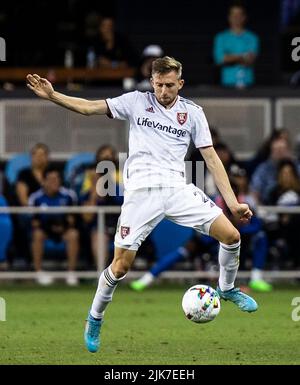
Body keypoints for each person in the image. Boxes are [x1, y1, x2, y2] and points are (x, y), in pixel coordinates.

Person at [26, 56, 258, 354]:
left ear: (180, 84)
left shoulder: (193, 113)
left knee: (232, 236)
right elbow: (88, 108)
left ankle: (226, 288)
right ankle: (95, 318)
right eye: (159, 84)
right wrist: (53, 95)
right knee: (120, 266)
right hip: (141, 194)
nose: (164, 91)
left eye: (170, 85)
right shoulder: (136, 102)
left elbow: (211, 159)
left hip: (177, 190)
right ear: (152, 82)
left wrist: (233, 203)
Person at [28, 167, 79, 286]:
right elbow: (34, 222)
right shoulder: (36, 198)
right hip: (44, 230)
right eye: (51, 179)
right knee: (37, 234)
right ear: (44, 181)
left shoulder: (69, 196)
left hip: (64, 230)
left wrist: (63, 225)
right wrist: (50, 225)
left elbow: (72, 219)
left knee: (73, 235)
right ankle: (38, 272)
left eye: (57, 179)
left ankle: (71, 273)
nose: (54, 182)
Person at [213, 4, 259, 88]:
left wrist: (230, 57)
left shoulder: (252, 37)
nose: (236, 18)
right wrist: (242, 56)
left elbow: (250, 59)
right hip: (227, 83)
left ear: (244, 17)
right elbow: (220, 59)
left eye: (239, 15)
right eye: (233, 15)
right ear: (229, 17)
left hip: (248, 83)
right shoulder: (221, 37)